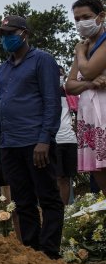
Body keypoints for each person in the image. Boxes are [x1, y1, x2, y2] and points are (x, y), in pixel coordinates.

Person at [0, 15, 63, 259]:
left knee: (48, 197)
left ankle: (50, 251)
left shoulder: (42, 60)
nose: (6, 38)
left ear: (24, 33)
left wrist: (45, 139)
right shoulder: (3, 68)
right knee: (23, 201)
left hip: (35, 142)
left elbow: (52, 103)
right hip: (10, 145)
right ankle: (32, 251)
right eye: (3, 35)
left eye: (10, 33)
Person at [66, 0, 106, 191]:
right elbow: (70, 86)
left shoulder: (98, 44)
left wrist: (79, 53)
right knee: (97, 169)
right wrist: (89, 84)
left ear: (101, 16)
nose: (81, 22)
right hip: (89, 116)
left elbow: (88, 70)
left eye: (86, 17)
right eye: (77, 19)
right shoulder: (85, 45)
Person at [55, 65, 78, 205]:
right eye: (56, 73)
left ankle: (65, 211)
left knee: (66, 179)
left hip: (70, 140)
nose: (59, 76)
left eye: (61, 73)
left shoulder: (71, 94)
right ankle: (54, 211)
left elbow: (79, 114)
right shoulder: (43, 93)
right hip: (52, 141)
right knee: (56, 178)